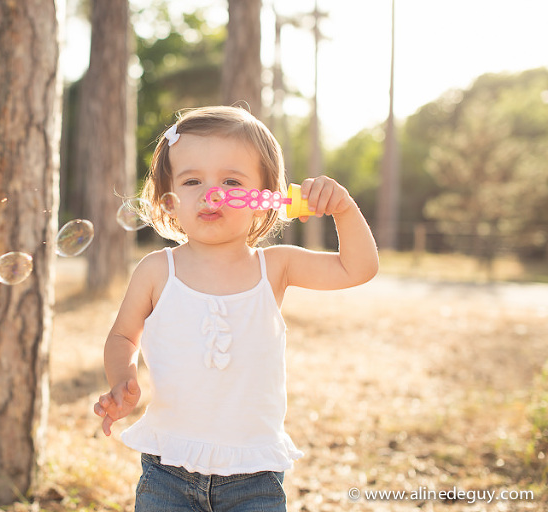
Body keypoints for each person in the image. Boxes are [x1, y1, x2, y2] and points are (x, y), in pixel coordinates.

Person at [93, 105, 379, 511]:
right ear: (169, 201)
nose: (211, 193)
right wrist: (122, 380)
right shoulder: (158, 270)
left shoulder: (275, 266)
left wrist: (344, 209)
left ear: (265, 198)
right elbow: (123, 336)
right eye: (192, 180)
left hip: (254, 474)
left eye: (231, 180)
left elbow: (359, 268)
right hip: (168, 468)